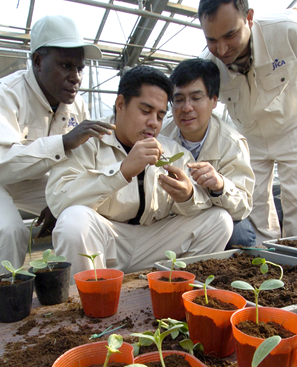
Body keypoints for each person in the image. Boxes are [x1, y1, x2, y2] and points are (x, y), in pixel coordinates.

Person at [0, 15, 114, 275]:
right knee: (8, 229)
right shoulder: (5, 91)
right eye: (65, 65)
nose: (76, 77)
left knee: (81, 207)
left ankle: (79, 289)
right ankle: (7, 304)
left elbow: (79, 166)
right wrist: (64, 141)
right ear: (38, 61)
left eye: (80, 68)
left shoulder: (77, 105)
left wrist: (59, 199)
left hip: (30, 172)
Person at [46, 65, 234, 277]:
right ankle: (93, 299)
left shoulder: (170, 150)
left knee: (219, 220)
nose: (153, 123)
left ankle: (175, 286)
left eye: (160, 116)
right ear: (120, 104)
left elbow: (199, 203)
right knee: (74, 221)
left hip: (153, 241)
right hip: (107, 240)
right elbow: (59, 200)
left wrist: (188, 196)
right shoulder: (87, 141)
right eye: (145, 111)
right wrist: (122, 171)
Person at [198, 0, 297, 241]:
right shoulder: (209, 65)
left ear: (249, 17)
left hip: (295, 125)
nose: (222, 49)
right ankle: (266, 258)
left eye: (230, 35)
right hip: (251, 134)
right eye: (212, 40)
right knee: (255, 201)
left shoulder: (289, 31)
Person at [161, 58, 255, 249]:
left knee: (241, 236)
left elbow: (243, 206)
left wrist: (220, 186)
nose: (186, 108)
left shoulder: (231, 143)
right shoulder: (160, 135)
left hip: (215, 215)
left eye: (196, 98)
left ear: (213, 101)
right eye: (178, 99)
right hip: (171, 216)